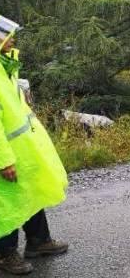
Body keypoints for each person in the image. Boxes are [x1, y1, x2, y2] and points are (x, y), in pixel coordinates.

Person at [0, 16, 69, 275]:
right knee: (7, 205)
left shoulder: (6, 66)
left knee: (32, 191)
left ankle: (38, 241)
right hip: (6, 154)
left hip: (23, 149)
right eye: (7, 36)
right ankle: (5, 254)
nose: (12, 39)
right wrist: (4, 161)